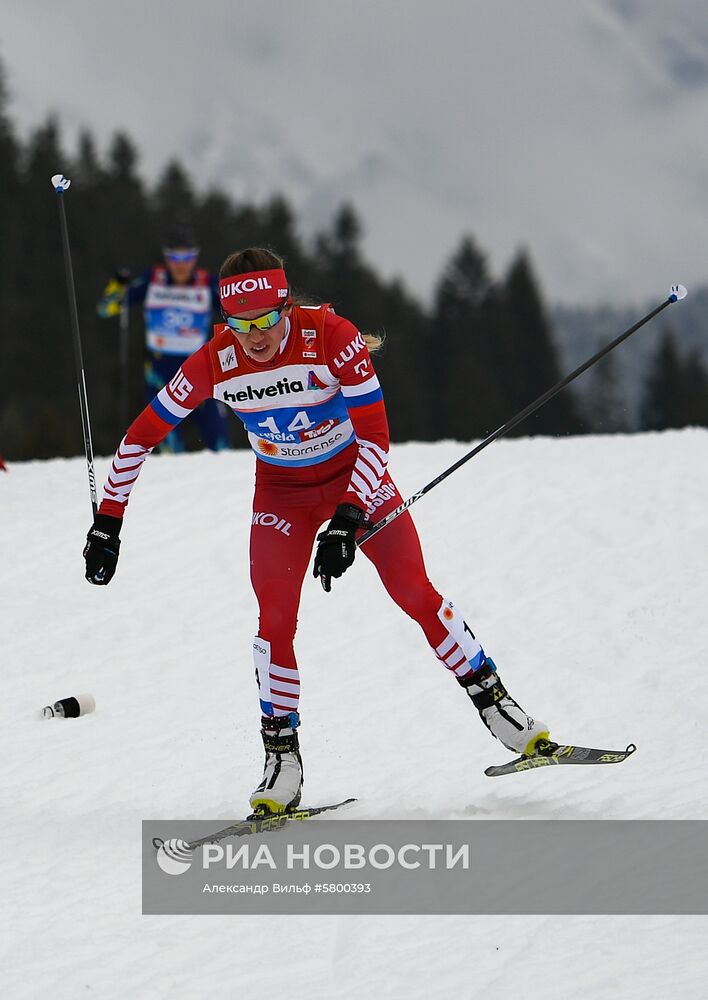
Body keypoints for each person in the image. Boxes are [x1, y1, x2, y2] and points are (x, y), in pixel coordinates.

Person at [84, 247, 551, 814]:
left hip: (357, 478)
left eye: (265, 320)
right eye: (238, 324)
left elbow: (376, 436)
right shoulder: (214, 359)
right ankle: (282, 760)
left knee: (414, 592)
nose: (253, 336)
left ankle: (500, 708)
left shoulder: (330, 335)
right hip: (281, 495)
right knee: (275, 620)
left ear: (286, 306)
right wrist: (108, 523)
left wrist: (350, 517)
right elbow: (139, 438)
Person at [97, 223, 230, 452]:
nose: (181, 265)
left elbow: (234, 313)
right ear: (166, 257)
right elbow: (105, 309)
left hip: (199, 371)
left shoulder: (206, 283)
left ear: (195, 256)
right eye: (175, 258)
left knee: (220, 444)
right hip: (160, 374)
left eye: (187, 257)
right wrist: (117, 284)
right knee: (169, 450)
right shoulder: (153, 279)